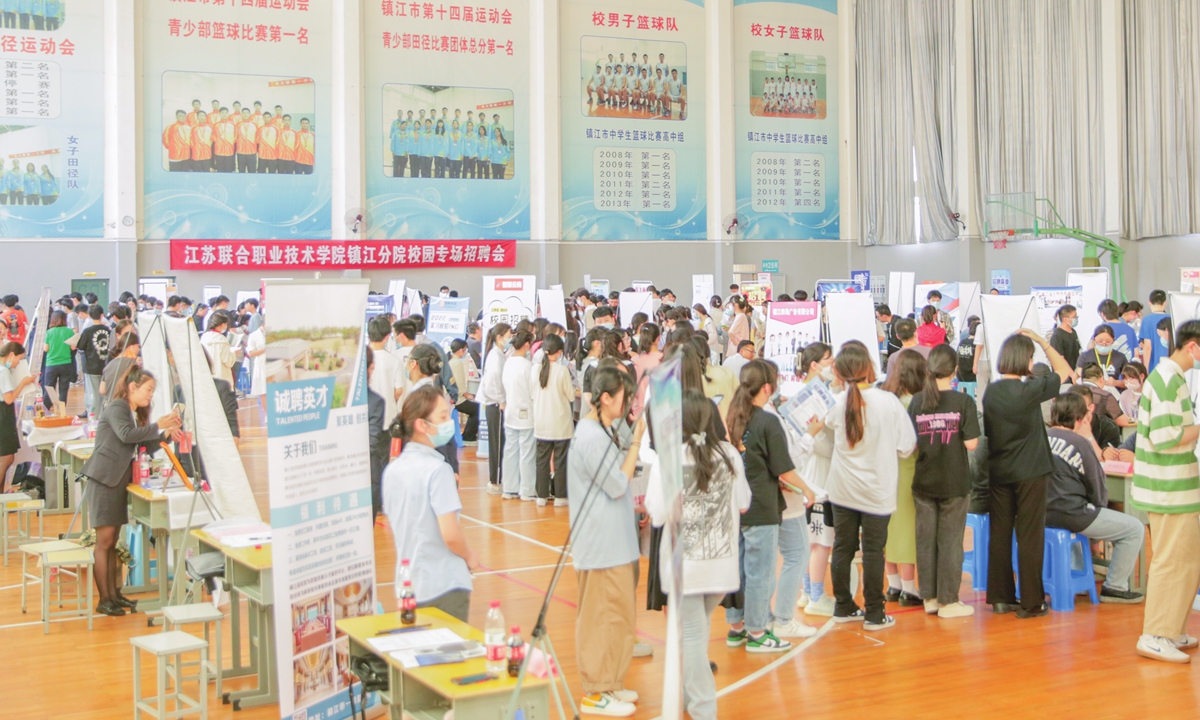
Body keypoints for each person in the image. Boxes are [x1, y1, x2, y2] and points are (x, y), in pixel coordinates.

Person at [645, 390, 749, 720]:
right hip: (721, 566)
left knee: (690, 636)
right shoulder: (730, 454)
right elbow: (744, 502)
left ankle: (703, 709)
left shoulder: (670, 458)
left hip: (684, 568)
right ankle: (690, 703)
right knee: (696, 632)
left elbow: (657, 514)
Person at [819, 344, 916, 631]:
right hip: (877, 489)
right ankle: (875, 613)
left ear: (839, 371)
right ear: (869, 367)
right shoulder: (889, 402)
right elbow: (906, 446)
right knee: (874, 551)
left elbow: (825, 432)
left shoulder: (836, 404)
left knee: (843, 547)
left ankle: (843, 605)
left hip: (842, 489)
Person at [568, 366, 645, 718]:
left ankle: (611, 681)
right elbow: (616, 483)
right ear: (605, 398)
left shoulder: (604, 428)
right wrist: (638, 440)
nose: (628, 404)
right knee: (600, 617)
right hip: (600, 544)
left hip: (616, 539)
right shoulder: (590, 436)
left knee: (618, 616)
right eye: (624, 398)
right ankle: (595, 690)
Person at [725, 360, 816, 652]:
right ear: (768, 387)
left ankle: (736, 626)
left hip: (737, 504)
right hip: (762, 505)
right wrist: (807, 488)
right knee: (761, 572)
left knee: (740, 568)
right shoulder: (767, 421)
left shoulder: (734, 416)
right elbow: (783, 468)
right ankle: (757, 632)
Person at [983, 329, 1073, 618]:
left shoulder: (991, 391)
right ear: (1026, 359)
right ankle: (1032, 602)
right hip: (1031, 470)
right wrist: (1043, 340)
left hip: (999, 470)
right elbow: (1064, 371)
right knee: (1029, 536)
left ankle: (1000, 597)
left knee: (1000, 534)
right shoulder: (1030, 389)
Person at [80, 367, 182, 616]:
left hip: (115, 480)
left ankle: (114, 595)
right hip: (105, 479)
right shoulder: (118, 407)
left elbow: (140, 443)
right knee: (104, 542)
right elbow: (126, 436)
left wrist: (166, 435)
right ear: (132, 387)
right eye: (148, 390)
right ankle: (104, 600)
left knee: (113, 542)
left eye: (152, 391)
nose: (150, 395)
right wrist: (159, 424)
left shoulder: (131, 411)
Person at [1132, 320, 1200, 663]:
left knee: (1186, 560)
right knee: (1171, 562)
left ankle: (1172, 629)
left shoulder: (1172, 378)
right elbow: (1165, 436)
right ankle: (1155, 634)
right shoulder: (1166, 379)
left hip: (1178, 488)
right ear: (1193, 346)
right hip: (1168, 488)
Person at [383, 385, 479, 622]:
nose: (450, 422)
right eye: (443, 417)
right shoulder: (438, 471)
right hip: (443, 585)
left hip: (408, 584)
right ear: (422, 425)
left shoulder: (393, 470)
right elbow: (451, 534)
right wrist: (469, 556)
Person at [1044, 392, 1145, 603]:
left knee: (1073, 523)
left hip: (1040, 514)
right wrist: (1098, 508)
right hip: (1073, 514)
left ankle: (1077, 575)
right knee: (1134, 528)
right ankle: (1114, 586)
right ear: (1080, 419)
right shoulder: (1080, 443)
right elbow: (1097, 488)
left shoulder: (1040, 437)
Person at [909, 345, 980, 617]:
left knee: (926, 540)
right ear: (953, 370)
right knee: (950, 542)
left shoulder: (917, 401)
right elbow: (972, 444)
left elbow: (910, 443)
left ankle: (929, 598)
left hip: (923, 481)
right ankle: (948, 602)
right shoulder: (963, 402)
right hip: (954, 481)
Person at [880, 349, 926, 607]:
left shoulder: (887, 400)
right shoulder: (915, 404)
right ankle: (910, 588)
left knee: (888, 527)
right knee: (907, 528)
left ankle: (893, 584)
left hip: (885, 471)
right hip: (908, 469)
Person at [532, 334, 573, 507]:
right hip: (561, 422)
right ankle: (560, 496)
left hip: (541, 420)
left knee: (542, 460)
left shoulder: (535, 369)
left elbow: (532, 394)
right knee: (560, 460)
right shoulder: (562, 370)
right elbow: (570, 396)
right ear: (559, 352)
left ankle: (541, 495)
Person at [501, 330, 536, 500]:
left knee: (510, 451)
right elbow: (533, 392)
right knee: (527, 452)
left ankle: (509, 487)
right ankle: (527, 490)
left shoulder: (508, 363)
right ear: (527, 345)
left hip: (511, 411)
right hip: (526, 413)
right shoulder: (527, 366)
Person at [480, 322, 512, 493]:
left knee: (499, 443)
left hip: (497, 403)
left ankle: (497, 478)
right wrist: (501, 400)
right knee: (497, 444)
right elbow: (492, 382)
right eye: (509, 335)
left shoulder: (499, 353)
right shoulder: (495, 355)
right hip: (496, 404)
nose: (511, 338)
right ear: (500, 337)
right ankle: (495, 481)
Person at [0, 342, 34, 490]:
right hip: (3, 414)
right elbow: (9, 398)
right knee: (7, 457)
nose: (17, 363)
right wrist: (23, 383)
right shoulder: (3, 371)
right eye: (18, 359)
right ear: (11, 354)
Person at [75, 304, 111, 418]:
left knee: (92, 393)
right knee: (104, 393)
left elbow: (80, 346)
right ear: (102, 315)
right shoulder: (108, 330)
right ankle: (104, 416)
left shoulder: (87, 331)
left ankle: (93, 417)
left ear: (89, 315)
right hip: (106, 366)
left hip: (91, 366)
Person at [40, 310, 74, 411]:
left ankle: (46, 408)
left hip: (51, 364)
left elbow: (45, 349)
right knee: (63, 389)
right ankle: (61, 410)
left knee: (49, 387)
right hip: (66, 363)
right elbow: (73, 347)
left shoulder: (49, 332)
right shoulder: (69, 331)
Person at [1077, 324, 1128, 389]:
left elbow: (1128, 382)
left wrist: (1115, 382)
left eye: (1108, 341)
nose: (1104, 344)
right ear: (1094, 339)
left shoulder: (1120, 357)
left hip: (1113, 394)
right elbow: (1078, 376)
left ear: (1113, 340)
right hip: (1091, 393)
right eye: (1100, 341)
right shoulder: (1085, 356)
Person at [448, 339, 479, 443]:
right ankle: (469, 435)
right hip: (457, 399)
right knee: (477, 409)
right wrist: (467, 395)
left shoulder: (451, 361)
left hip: (451, 397)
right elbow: (460, 384)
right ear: (461, 350)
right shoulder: (457, 363)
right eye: (465, 350)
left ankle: (467, 434)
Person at [1138, 290, 1171, 372]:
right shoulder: (1172, 319)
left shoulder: (1147, 320)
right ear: (1165, 303)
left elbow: (1147, 347)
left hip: (1154, 366)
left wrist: (1145, 369)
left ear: (1149, 302)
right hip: (1170, 364)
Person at [200, 311, 235, 385]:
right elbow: (228, 361)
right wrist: (234, 353)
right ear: (223, 325)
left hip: (207, 374)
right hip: (221, 375)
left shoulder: (204, 337)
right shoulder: (222, 340)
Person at [1050, 304, 1082, 372]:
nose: (1076, 318)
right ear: (1065, 319)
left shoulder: (1073, 332)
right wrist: (1072, 374)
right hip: (1064, 374)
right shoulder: (1057, 335)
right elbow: (1060, 360)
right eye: (1074, 317)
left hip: (1075, 371)